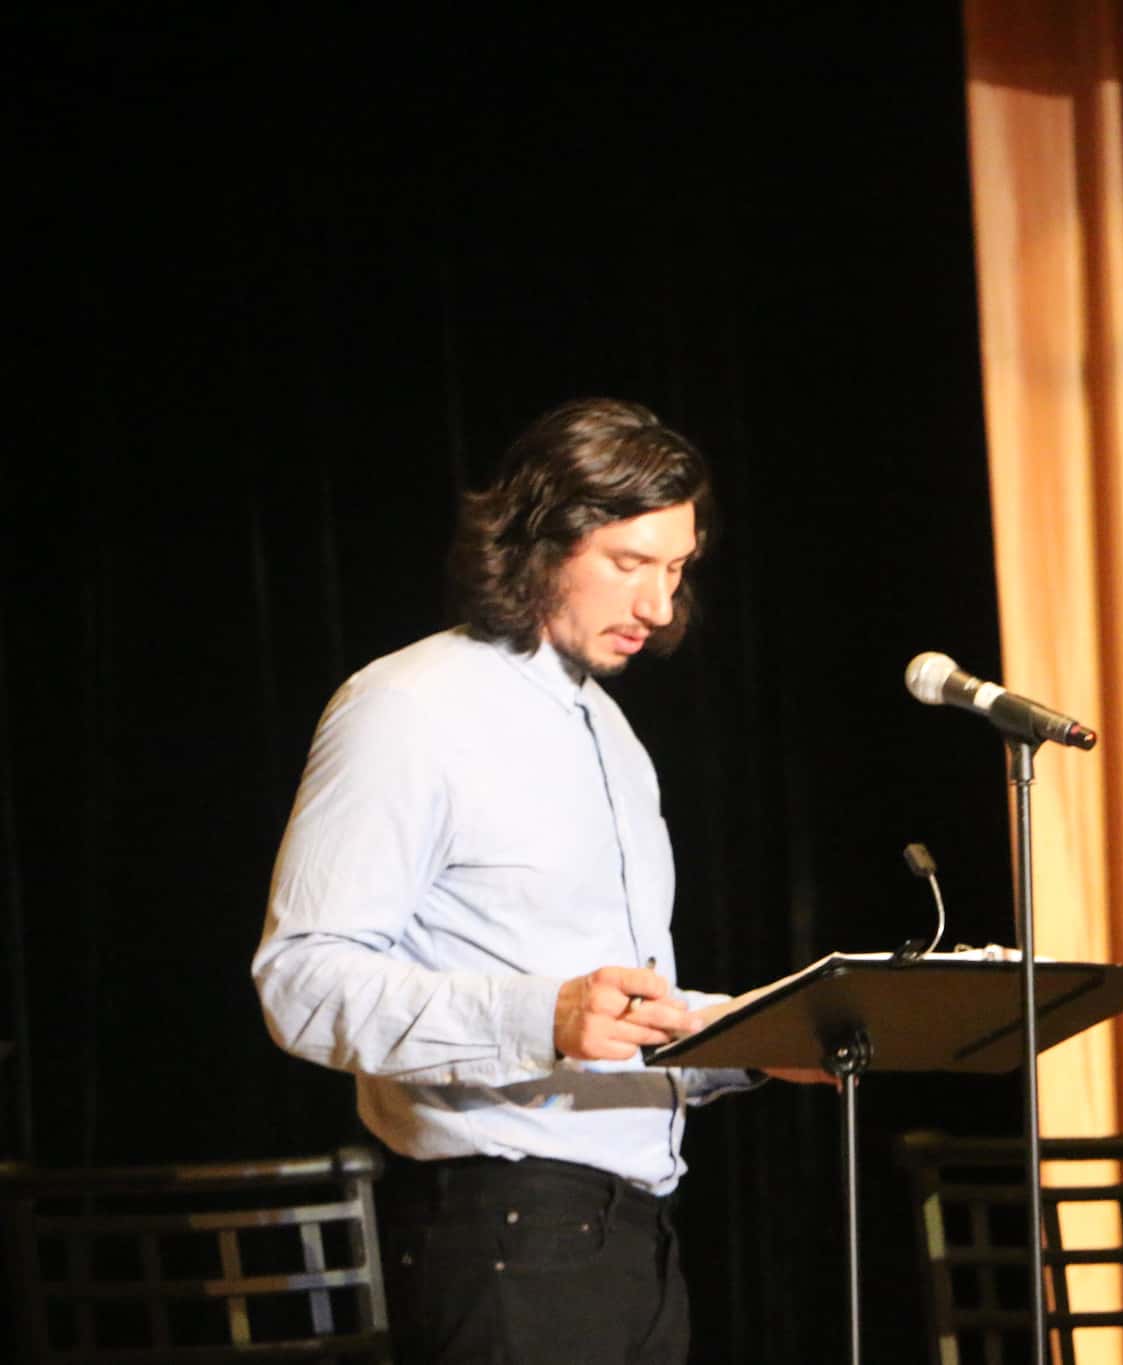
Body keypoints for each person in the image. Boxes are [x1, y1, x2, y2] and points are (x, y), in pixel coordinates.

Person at [253, 397, 810, 1364]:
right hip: (506, 1235)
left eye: (677, 570)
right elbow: (301, 979)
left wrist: (764, 1036)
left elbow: (617, 1013)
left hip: (637, 1236)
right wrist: (539, 1017)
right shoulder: (410, 705)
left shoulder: (615, 737)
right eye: (630, 564)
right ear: (537, 540)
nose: (660, 607)